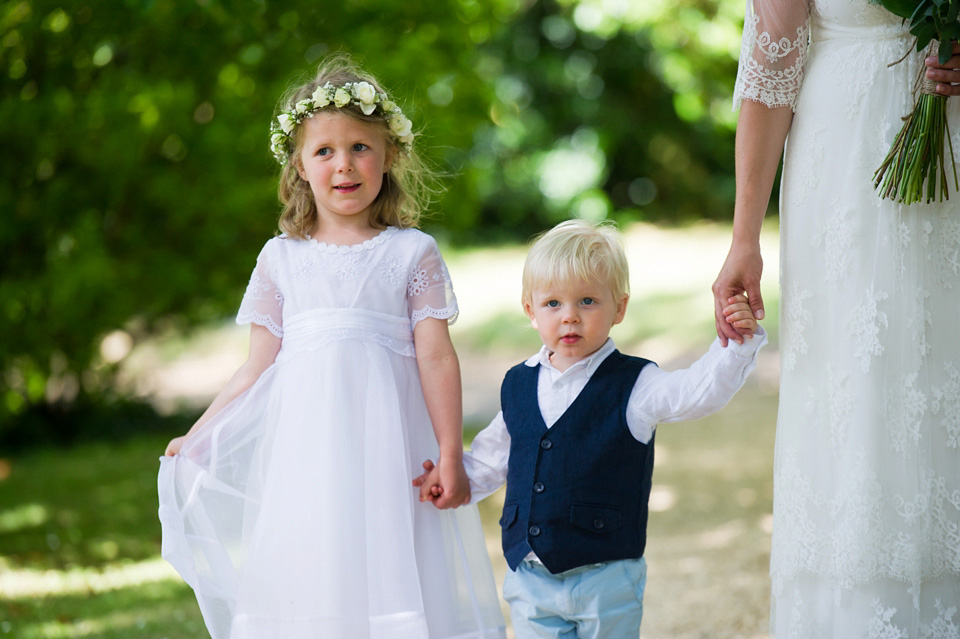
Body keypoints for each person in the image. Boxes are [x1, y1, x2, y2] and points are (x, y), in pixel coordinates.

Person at [157, 54, 506, 639]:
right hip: (308, 455)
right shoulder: (281, 259)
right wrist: (200, 434)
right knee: (317, 564)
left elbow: (436, 355)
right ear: (299, 164)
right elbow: (256, 366)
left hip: (392, 448)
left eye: (360, 148)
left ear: (390, 155)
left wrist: (450, 450)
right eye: (324, 151)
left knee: (394, 561)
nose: (344, 165)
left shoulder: (410, 253)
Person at [712, 3, 960, 637]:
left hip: (950, 117)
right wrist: (744, 238)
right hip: (850, 153)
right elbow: (773, 56)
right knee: (864, 369)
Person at [414, 219, 767, 638]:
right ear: (530, 310)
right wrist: (455, 480)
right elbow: (494, 456)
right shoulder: (518, 384)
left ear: (619, 308)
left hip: (607, 575)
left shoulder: (634, 384)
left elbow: (694, 392)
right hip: (530, 574)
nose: (569, 318)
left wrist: (736, 344)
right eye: (553, 305)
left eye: (586, 301)